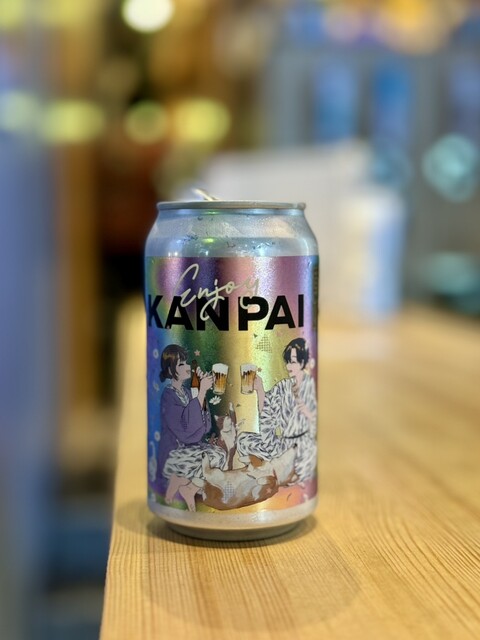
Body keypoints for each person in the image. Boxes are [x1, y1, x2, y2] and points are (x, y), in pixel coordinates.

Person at [237, 338, 317, 482]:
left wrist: (306, 412)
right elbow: (267, 412)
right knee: (243, 439)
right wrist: (260, 390)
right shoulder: (284, 386)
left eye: (293, 362)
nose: (288, 366)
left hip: (302, 447)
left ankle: (271, 471)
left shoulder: (311, 384)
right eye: (288, 362)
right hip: (282, 445)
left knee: (300, 466)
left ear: (303, 362)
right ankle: (269, 470)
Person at [157, 344, 226, 510]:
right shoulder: (168, 395)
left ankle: (189, 488)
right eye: (181, 364)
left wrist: (199, 392)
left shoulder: (188, 393)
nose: (187, 366)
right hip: (174, 451)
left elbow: (204, 427)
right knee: (208, 460)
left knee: (220, 455)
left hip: (190, 448)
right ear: (171, 370)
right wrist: (200, 393)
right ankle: (179, 481)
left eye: (186, 362)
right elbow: (185, 431)